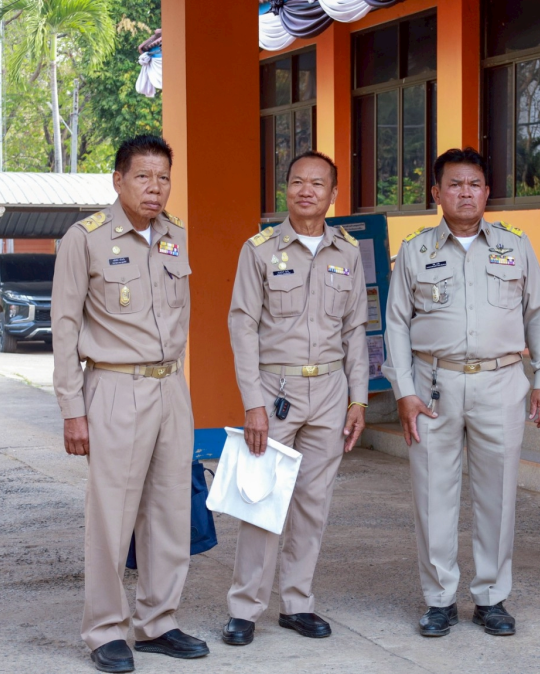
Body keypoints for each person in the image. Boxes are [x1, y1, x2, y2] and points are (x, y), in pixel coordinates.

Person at [382, 147, 540, 639]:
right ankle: (439, 600)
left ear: (487, 192)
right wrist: (404, 391)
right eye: (455, 184)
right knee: (433, 494)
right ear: (436, 194)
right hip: (433, 385)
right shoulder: (415, 250)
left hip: (501, 382)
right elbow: (396, 324)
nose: (465, 193)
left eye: (474, 184)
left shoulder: (515, 245)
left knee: (497, 495)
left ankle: (491, 598)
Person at [52, 135, 208, 673]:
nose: (154, 187)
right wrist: (72, 408)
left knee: (170, 510)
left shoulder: (175, 236)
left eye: (163, 177)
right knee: (112, 516)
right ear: (118, 180)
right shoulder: (85, 239)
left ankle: (158, 621)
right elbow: (64, 328)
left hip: (171, 388)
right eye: (143, 176)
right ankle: (104, 629)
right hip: (116, 387)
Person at [223, 150, 369, 646]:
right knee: (260, 498)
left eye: (318, 183)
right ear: (285, 189)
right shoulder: (259, 249)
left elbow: (355, 330)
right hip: (274, 389)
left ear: (333, 194)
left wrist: (358, 399)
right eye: (297, 182)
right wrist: (253, 403)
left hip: (330, 390)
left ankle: (297, 603)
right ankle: (245, 607)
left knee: (313, 503)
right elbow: (242, 326)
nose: (307, 191)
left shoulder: (348, 252)